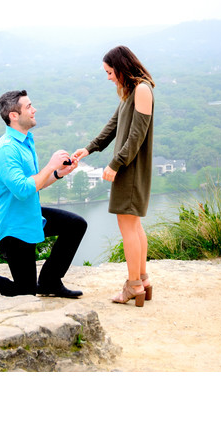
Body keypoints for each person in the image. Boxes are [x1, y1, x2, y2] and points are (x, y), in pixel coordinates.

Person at [0, 90, 87, 298]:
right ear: (14, 115)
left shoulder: (25, 141)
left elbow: (34, 184)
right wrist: (50, 166)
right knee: (25, 291)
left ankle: (49, 281)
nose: (34, 109)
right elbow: (22, 190)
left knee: (76, 225)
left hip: (30, 215)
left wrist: (58, 173)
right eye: (28, 106)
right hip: (13, 227)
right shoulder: (6, 149)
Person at [73, 46, 155, 307]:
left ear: (121, 67)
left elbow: (136, 135)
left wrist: (115, 164)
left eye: (110, 72)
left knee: (128, 226)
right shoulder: (131, 92)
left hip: (131, 167)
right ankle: (143, 281)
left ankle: (133, 286)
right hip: (128, 166)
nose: (108, 77)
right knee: (134, 225)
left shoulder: (142, 90)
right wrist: (89, 148)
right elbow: (113, 126)